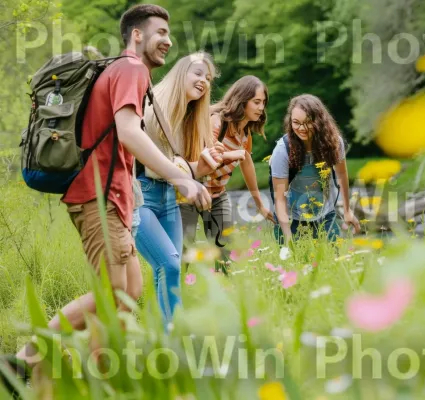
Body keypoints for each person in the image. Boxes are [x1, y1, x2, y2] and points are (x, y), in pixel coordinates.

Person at [2, 4, 211, 385]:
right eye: (160, 32)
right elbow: (130, 132)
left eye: (169, 33)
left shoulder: (124, 72)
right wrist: (181, 180)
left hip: (112, 199)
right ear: (136, 35)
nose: (168, 40)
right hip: (97, 198)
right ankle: (22, 361)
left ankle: (101, 380)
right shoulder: (130, 69)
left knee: (128, 291)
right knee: (116, 290)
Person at [136, 51, 223, 323]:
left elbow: (178, 168)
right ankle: (171, 336)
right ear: (180, 73)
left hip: (167, 198)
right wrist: (186, 175)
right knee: (169, 265)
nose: (203, 81)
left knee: (171, 271)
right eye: (197, 73)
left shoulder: (187, 116)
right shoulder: (155, 104)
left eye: (208, 78)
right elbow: (150, 162)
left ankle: (168, 338)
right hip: (139, 194)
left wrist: (201, 168)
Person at [194, 76, 275, 258]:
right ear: (242, 100)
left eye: (263, 102)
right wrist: (232, 155)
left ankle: (224, 285)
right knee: (183, 251)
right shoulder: (217, 122)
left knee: (225, 252)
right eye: (256, 102)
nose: (261, 108)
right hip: (193, 192)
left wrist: (259, 204)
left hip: (217, 194)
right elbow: (203, 156)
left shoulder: (245, 134)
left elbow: (247, 165)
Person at [271, 94, 360, 243]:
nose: (302, 128)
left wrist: (347, 210)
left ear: (319, 121)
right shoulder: (283, 149)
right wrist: (288, 236)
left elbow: (342, 175)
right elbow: (280, 198)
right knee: (296, 265)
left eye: (307, 122)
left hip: (326, 214)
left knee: (332, 261)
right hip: (292, 218)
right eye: (296, 123)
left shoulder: (334, 143)